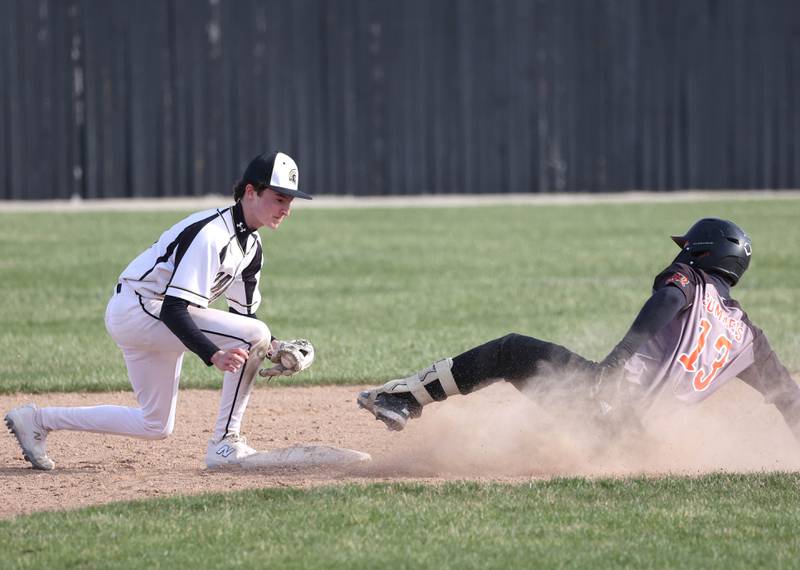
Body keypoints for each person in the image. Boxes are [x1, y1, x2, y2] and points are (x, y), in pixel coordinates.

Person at [358, 218, 800, 444]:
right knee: (545, 412)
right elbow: (788, 397)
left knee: (511, 351)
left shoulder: (690, 279)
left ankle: (401, 398)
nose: (681, 255)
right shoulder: (748, 337)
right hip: (639, 439)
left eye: (687, 248)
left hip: (607, 400)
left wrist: (615, 362)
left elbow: (667, 301)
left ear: (701, 253)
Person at [5, 151, 316, 470]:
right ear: (251, 192)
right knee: (255, 336)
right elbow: (174, 309)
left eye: (290, 201)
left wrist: (279, 349)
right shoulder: (212, 234)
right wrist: (213, 353)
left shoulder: (251, 248)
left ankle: (37, 420)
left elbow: (243, 320)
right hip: (139, 308)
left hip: (150, 316)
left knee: (154, 424)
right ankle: (225, 443)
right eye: (280, 198)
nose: (286, 209)